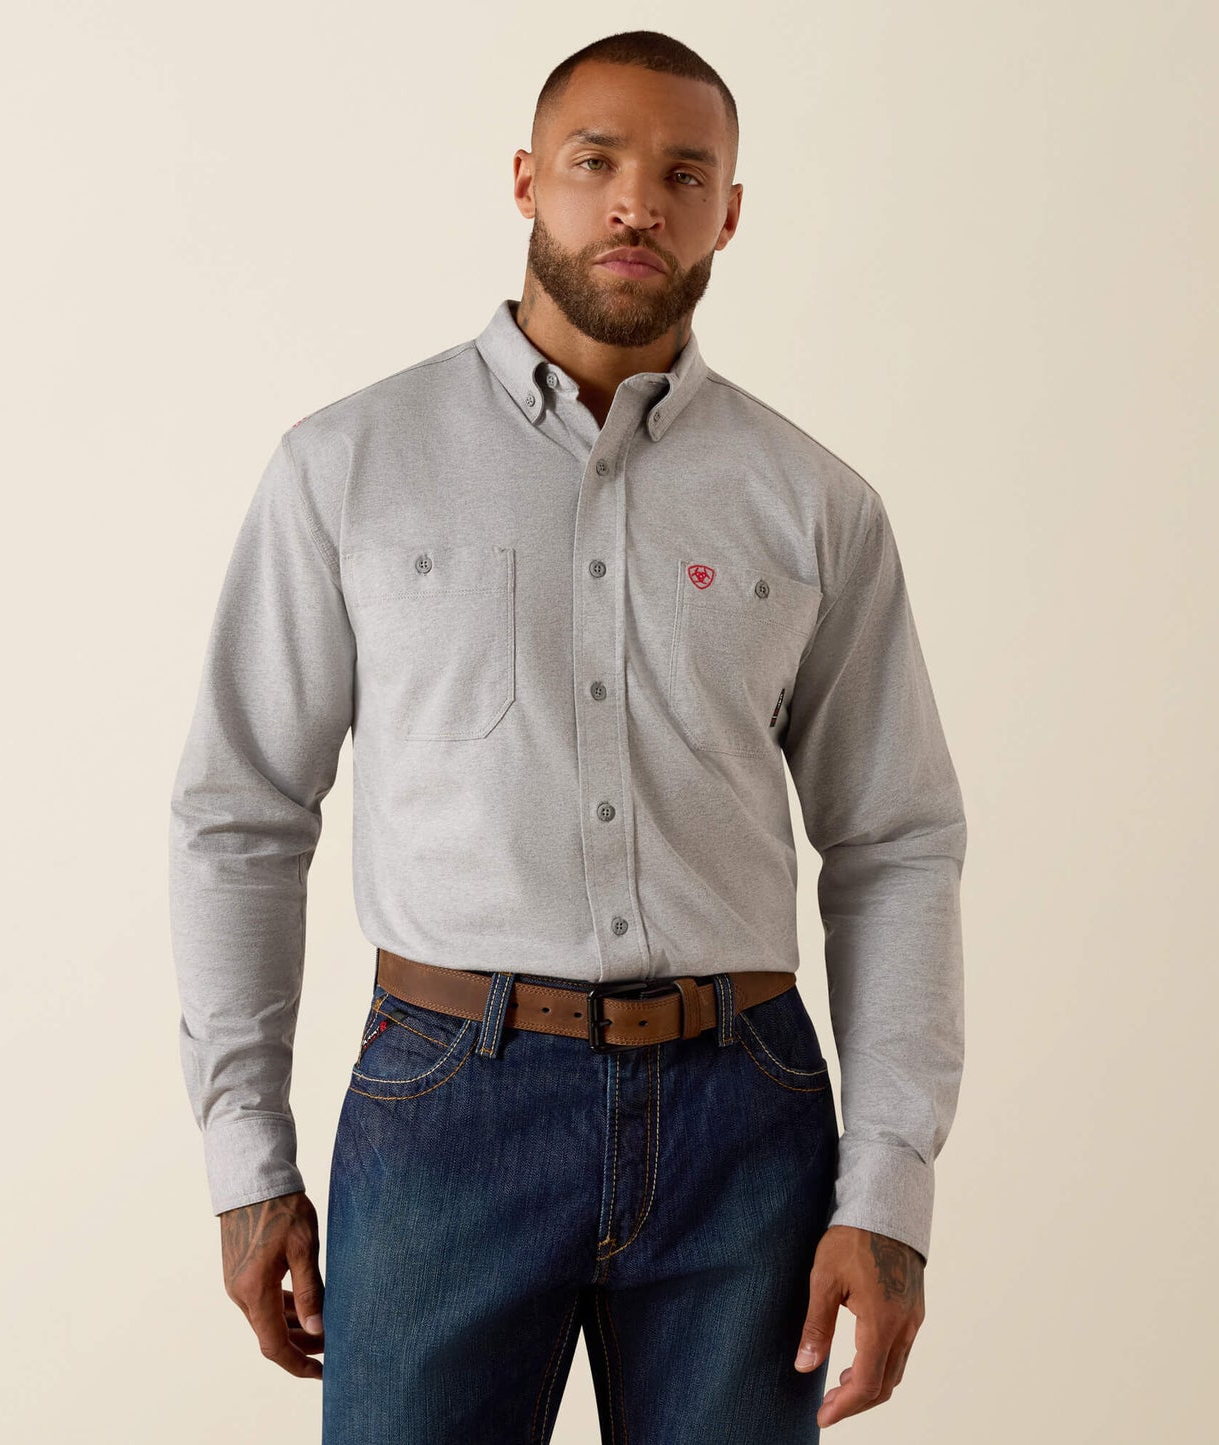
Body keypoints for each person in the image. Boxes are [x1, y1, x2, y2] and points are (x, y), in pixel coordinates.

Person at [168, 28, 966, 1444]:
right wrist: (247, 1157)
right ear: (529, 180)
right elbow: (240, 814)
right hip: (443, 1105)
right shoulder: (347, 466)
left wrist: (887, 1189)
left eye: (681, 173)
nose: (634, 204)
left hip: (747, 1116)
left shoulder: (810, 502)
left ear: (729, 211)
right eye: (596, 163)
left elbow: (894, 842)